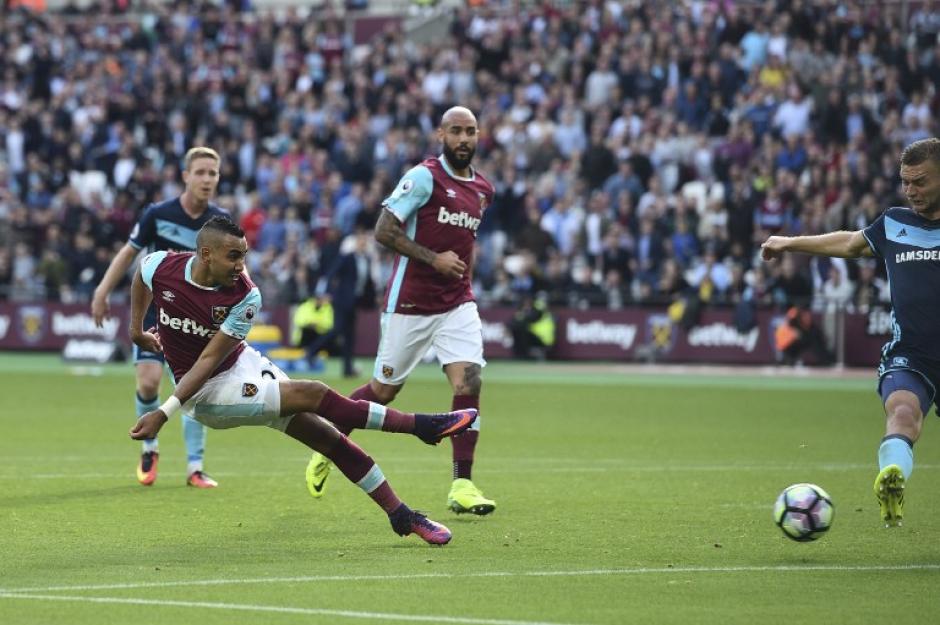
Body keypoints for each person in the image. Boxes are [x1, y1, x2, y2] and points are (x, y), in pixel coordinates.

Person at [129, 216, 477, 545]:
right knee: (313, 393)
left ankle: (401, 515)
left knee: (330, 438)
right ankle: (421, 426)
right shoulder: (161, 265)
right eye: (233, 256)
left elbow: (212, 354)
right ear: (205, 254)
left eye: (244, 256)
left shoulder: (245, 295)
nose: (241, 265)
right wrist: (137, 333)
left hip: (241, 365)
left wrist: (162, 411)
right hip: (207, 394)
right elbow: (143, 281)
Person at [305, 106, 497, 515]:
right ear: (441, 135)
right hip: (410, 303)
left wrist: (463, 277)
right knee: (382, 391)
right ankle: (327, 444)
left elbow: (467, 244)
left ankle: (462, 484)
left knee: (470, 381)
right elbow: (383, 230)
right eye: (456, 131)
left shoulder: (483, 189)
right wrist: (434, 260)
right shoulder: (424, 177)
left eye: (471, 132)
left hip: (457, 302)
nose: (464, 139)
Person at [760, 137, 940, 528]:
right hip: (911, 354)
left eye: (921, 182)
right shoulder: (894, 223)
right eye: (906, 182)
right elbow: (850, 243)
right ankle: (892, 479)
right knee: (904, 412)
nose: (911, 191)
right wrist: (790, 242)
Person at [92, 147, 229, 489]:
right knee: (149, 383)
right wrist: (102, 291)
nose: (207, 179)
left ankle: (195, 467)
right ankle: (149, 449)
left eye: (213, 173)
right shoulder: (158, 213)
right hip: (157, 312)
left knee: (193, 391)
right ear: (185, 176)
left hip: (197, 318)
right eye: (200, 172)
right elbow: (129, 252)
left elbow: (235, 268)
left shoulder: (219, 222)